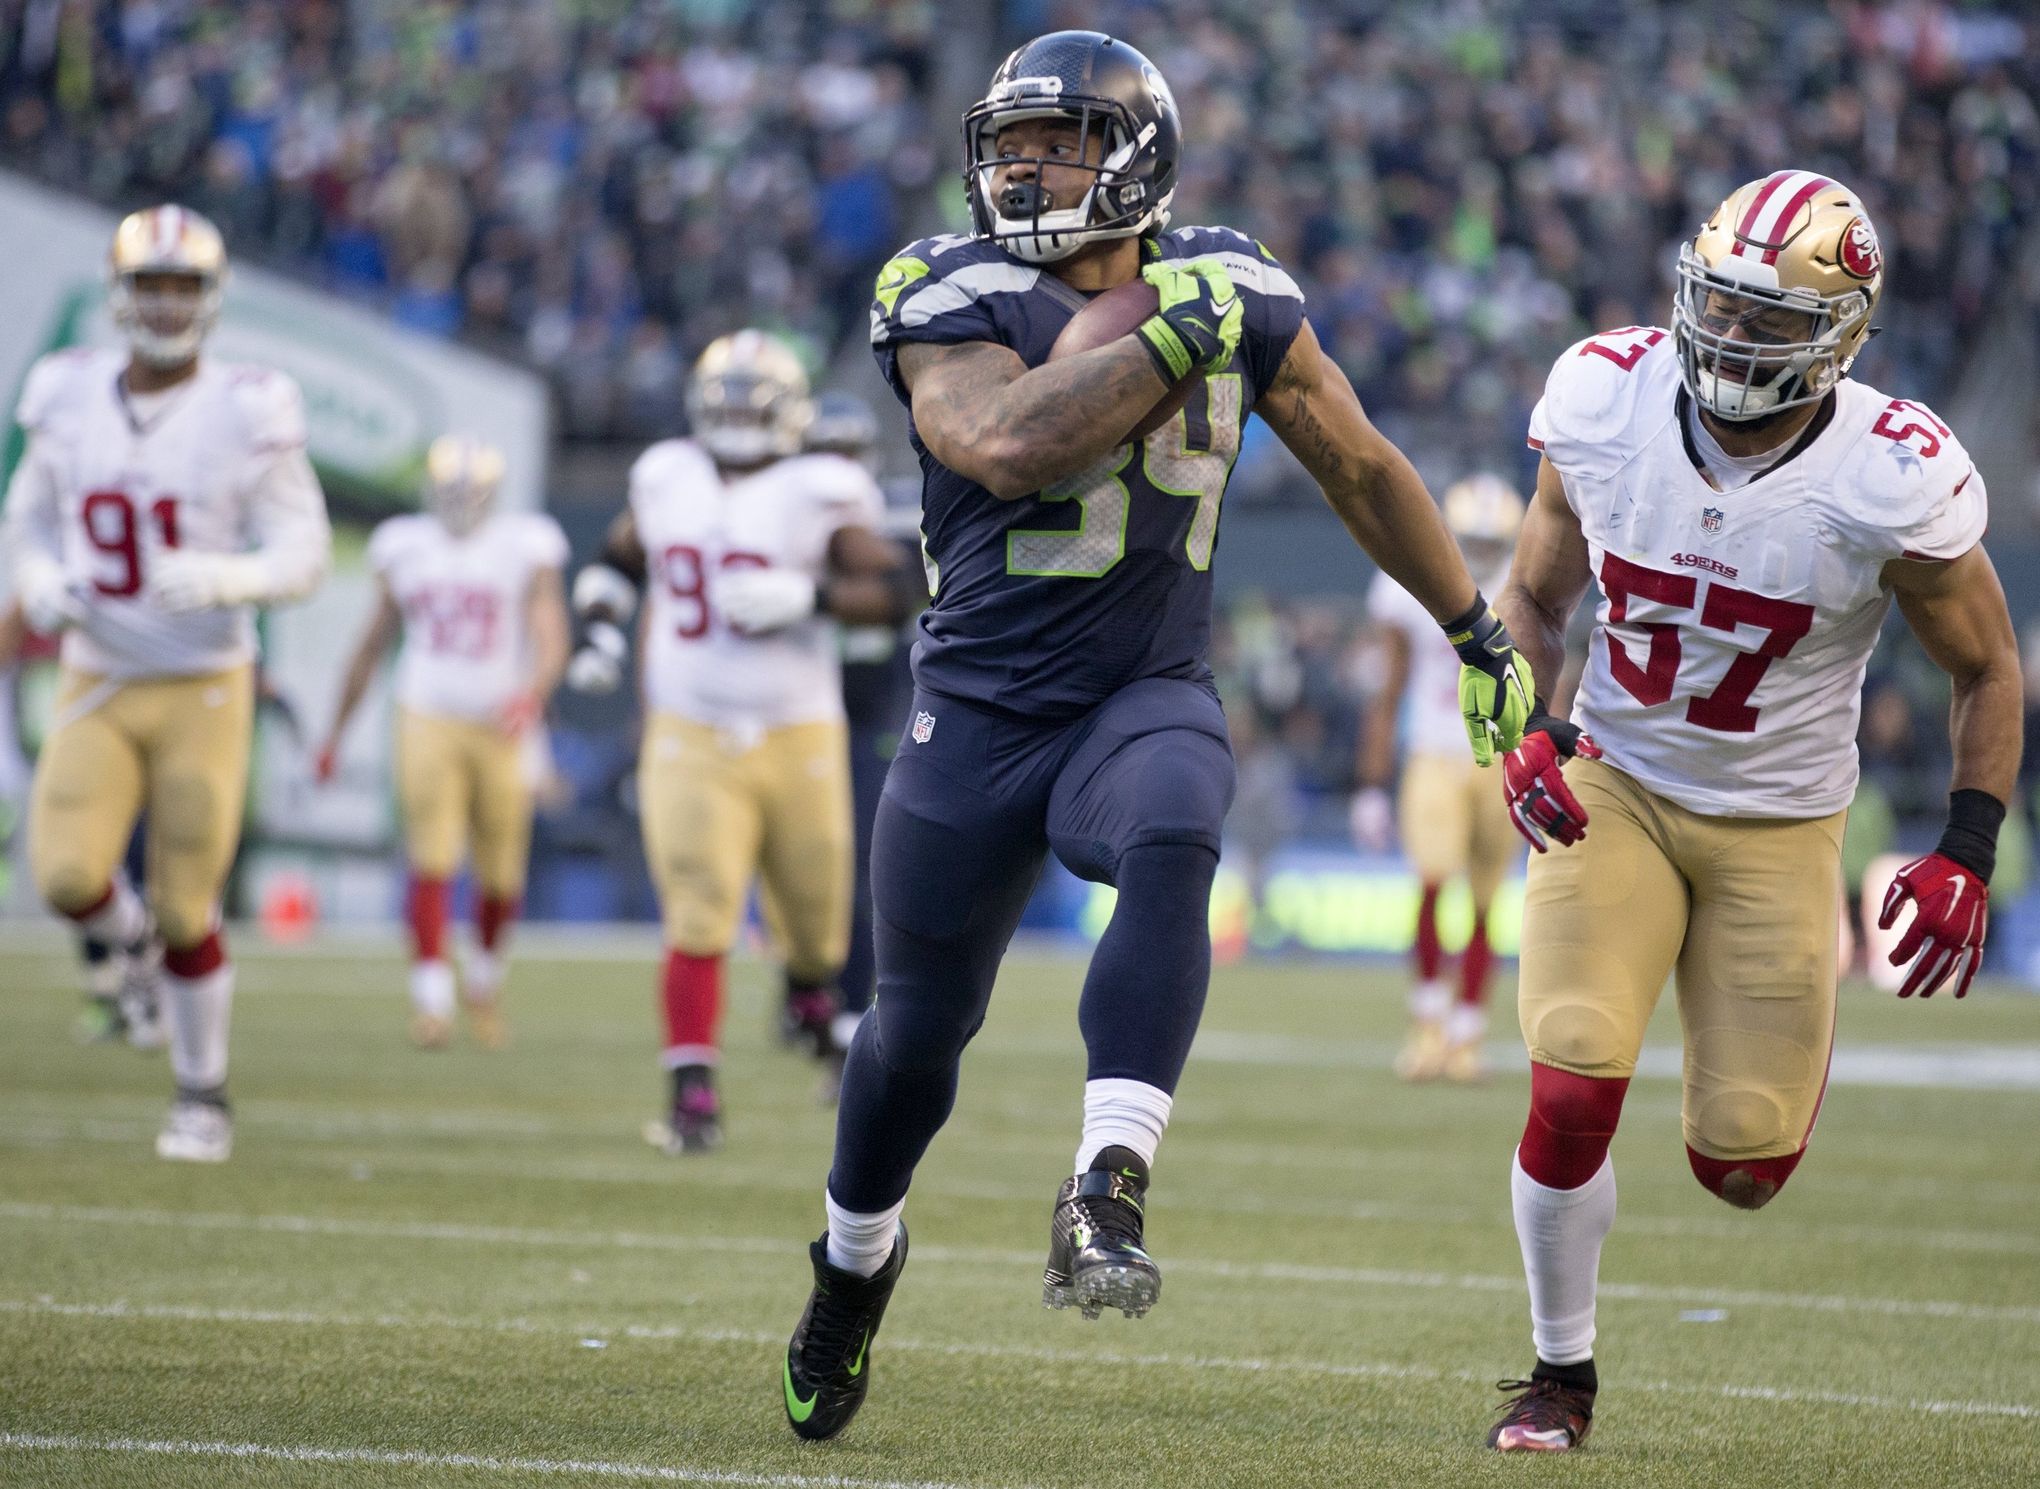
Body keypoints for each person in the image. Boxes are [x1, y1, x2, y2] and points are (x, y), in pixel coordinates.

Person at [779, 30, 1533, 1443]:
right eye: (1006, 144)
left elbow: (1358, 460)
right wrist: (1177, 334)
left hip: (1141, 691)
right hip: (979, 716)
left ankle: (1107, 1181)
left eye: (1053, 141)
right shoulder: (941, 285)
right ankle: (852, 1267)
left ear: (1132, 153)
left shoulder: (1237, 279)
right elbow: (1002, 444)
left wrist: (1474, 626)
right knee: (911, 1042)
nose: (1019, 166)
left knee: (1181, 821)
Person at [1487, 172, 2020, 1451]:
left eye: (1775, 321)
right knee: (1569, 1080)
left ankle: (1753, 1122)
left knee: (1743, 1161)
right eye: (1722, 304)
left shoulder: (1889, 473)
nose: (1734, 338)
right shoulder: (1607, 401)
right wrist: (1530, 728)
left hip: (1781, 822)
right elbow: (1530, 599)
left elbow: (1989, 667)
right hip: (1616, 779)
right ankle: (1562, 1374)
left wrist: (1967, 845)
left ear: (1842, 332)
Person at [4, 204, 331, 1162]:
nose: (165, 301)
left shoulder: (248, 403)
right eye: (150, 283)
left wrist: (237, 577)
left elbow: (304, 549)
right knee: (65, 873)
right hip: (98, 671)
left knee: (192, 903)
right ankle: (131, 945)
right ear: (119, 292)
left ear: (212, 296)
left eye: (182, 285)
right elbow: (25, 518)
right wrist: (34, 580)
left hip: (205, 681)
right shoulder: (63, 391)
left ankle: (202, 1093)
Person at [566, 331, 918, 1153]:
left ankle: (806, 993)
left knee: (817, 920)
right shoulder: (666, 476)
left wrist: (811, 595)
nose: (733, 417)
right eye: (722, 400)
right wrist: (600, 635)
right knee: (698, 908)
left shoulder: (819, 486)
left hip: (798, 730)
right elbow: (616, 561)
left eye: (749, 403)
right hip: (690, 726)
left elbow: (898, 588)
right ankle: (692, 1093)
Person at [315, 436, 570, 1049]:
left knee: (501, 871)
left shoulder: (523, 545)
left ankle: (483, 983)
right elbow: (372, 643)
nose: (459, 504)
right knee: (432, 856)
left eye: (470, 492)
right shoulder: (407, 548)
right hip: (426, 711)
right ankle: (431, 1000)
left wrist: (532, 691)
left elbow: (549, 631)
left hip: (500, 719)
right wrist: (335, 733)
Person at [1356, 474, 1527, 1082]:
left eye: (1492, 540)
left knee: (1486, 904)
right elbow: (1389, 685)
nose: (1481, 553)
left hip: (1503, 756)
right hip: (1432, 750)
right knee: (1432, 884)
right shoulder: (1408, 583)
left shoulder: (1525, 582)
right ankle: (1428, 1023)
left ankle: (1467, 1032)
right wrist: (1371, 784)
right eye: (1472, 539)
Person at [793, 391, 925, 1100]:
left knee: (864, 867)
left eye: (846, 453)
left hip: (876, 703)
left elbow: (908, 585)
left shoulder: (889, 514)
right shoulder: (779, 512)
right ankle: (810, 993)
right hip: (796, 704)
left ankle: (848, 1021)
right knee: (800, 864)